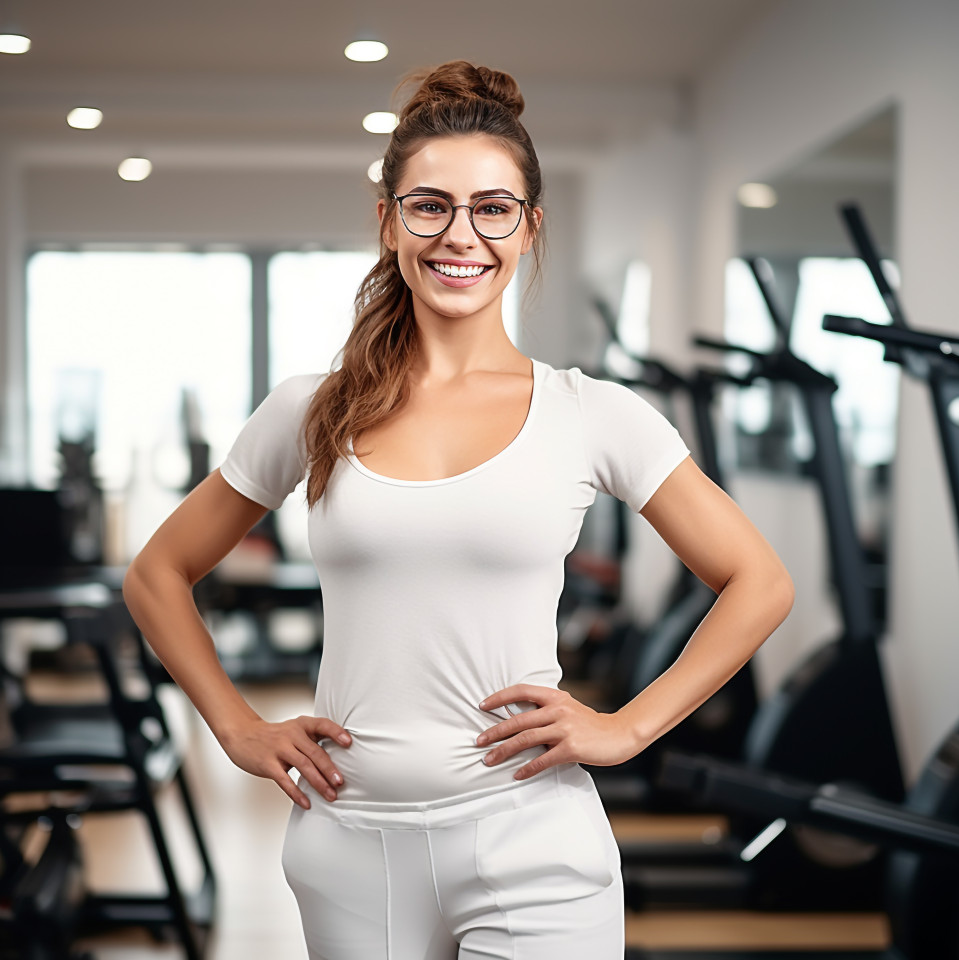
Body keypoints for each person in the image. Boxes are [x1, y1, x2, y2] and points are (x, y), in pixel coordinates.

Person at [122, 60, 794, 960]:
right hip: (347, 843)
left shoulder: (590, 412)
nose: (461, 235)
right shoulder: (310, 408)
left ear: (527, 228)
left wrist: (626, 726)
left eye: (493, 207)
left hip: (531, 839)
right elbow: (156, 574)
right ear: (389, 221)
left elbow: (759, 580)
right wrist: (236, 725)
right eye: (429, 205)